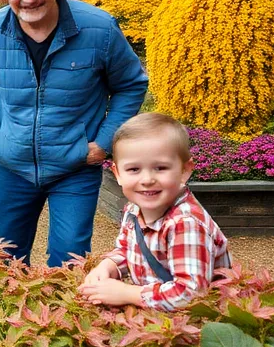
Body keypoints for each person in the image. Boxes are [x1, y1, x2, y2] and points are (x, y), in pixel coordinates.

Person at [0, 0, 147, 267]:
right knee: (6, 259)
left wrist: (103, 144)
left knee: (69, 262)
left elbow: (131, 85)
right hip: (14, 166)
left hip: (75, 167)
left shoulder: (99, 29)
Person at [80, 113, 231, 311]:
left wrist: (127, 293)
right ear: (117, 174)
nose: (147, 180)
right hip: (157, 313)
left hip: (194, 321)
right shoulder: (133, 209)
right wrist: (108, 266)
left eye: (160, 168)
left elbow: (191, 294)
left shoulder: (186, 223)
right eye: (134, 169)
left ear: (185, 170)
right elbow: (127, 249)